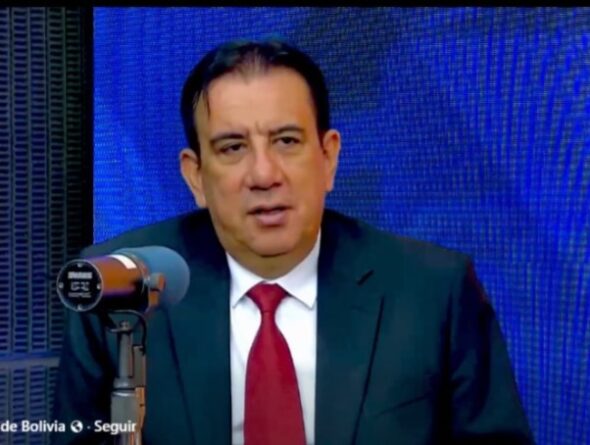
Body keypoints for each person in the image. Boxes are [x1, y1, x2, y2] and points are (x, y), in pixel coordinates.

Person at [52, 39, 534, 444]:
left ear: (328, 158)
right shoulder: (117, 286)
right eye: (233, 147)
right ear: (195, 176)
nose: (264, 175)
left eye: (286, 141)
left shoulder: (435, 291)